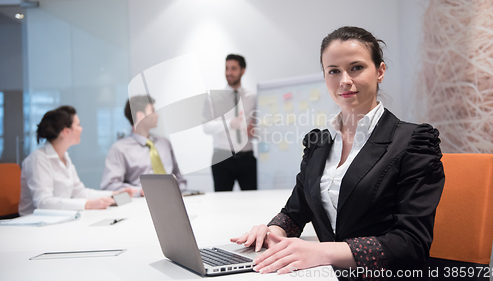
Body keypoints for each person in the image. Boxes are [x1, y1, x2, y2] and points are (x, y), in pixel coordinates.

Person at [231, 27, 445, 280]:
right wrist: (271, 231)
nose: (344, 80)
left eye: (356, 67)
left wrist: (323, 252)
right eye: (333, 71)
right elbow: (295, 212)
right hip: (326, 274)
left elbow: (411, 243)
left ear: (380, 71)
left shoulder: (413, 142)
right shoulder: (319, 143)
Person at [19, 106, 136, 216]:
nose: (81, 129)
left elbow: (80, 192)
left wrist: (113, 194)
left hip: (59, 218)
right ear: (66, 131)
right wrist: (88, 204)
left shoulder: (65, 158)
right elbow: (43, 202)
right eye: (78, 125)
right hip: (35, 224)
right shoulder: (38, 159)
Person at [100, 95, 186, 195]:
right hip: (141, 203)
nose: (157, 115)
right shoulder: (120, 149)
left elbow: (179, 179)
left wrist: (180, 190)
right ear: (140, 115)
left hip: (174, 199)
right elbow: (109, 186)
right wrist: (139, 191)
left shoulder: (164, 143)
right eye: (153, 111)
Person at [203, 54, 257, 191]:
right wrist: (229, 124)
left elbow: (259, 125)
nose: (229, 73)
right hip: (222, 158)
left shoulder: (252, 97)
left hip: (247, 158)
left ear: (242, 71)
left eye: (233, 68)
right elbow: (206, 127)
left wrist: (256, 131)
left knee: (252, 201)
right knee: (221, 203)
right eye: (227, 68)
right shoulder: (213, 97)